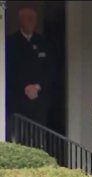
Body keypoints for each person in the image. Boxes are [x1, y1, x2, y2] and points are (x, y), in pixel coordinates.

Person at [6, 6, 57, 140]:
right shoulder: (10, 43)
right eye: (27, 19)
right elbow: (7, 71)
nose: (30, 22)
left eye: (33, 19)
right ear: (20, 21)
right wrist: (24, 87)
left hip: (38, 102)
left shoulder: (43, 43)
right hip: (17, 102)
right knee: (18, 139)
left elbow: (51, 71)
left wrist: (37, 87)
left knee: (37, 138)